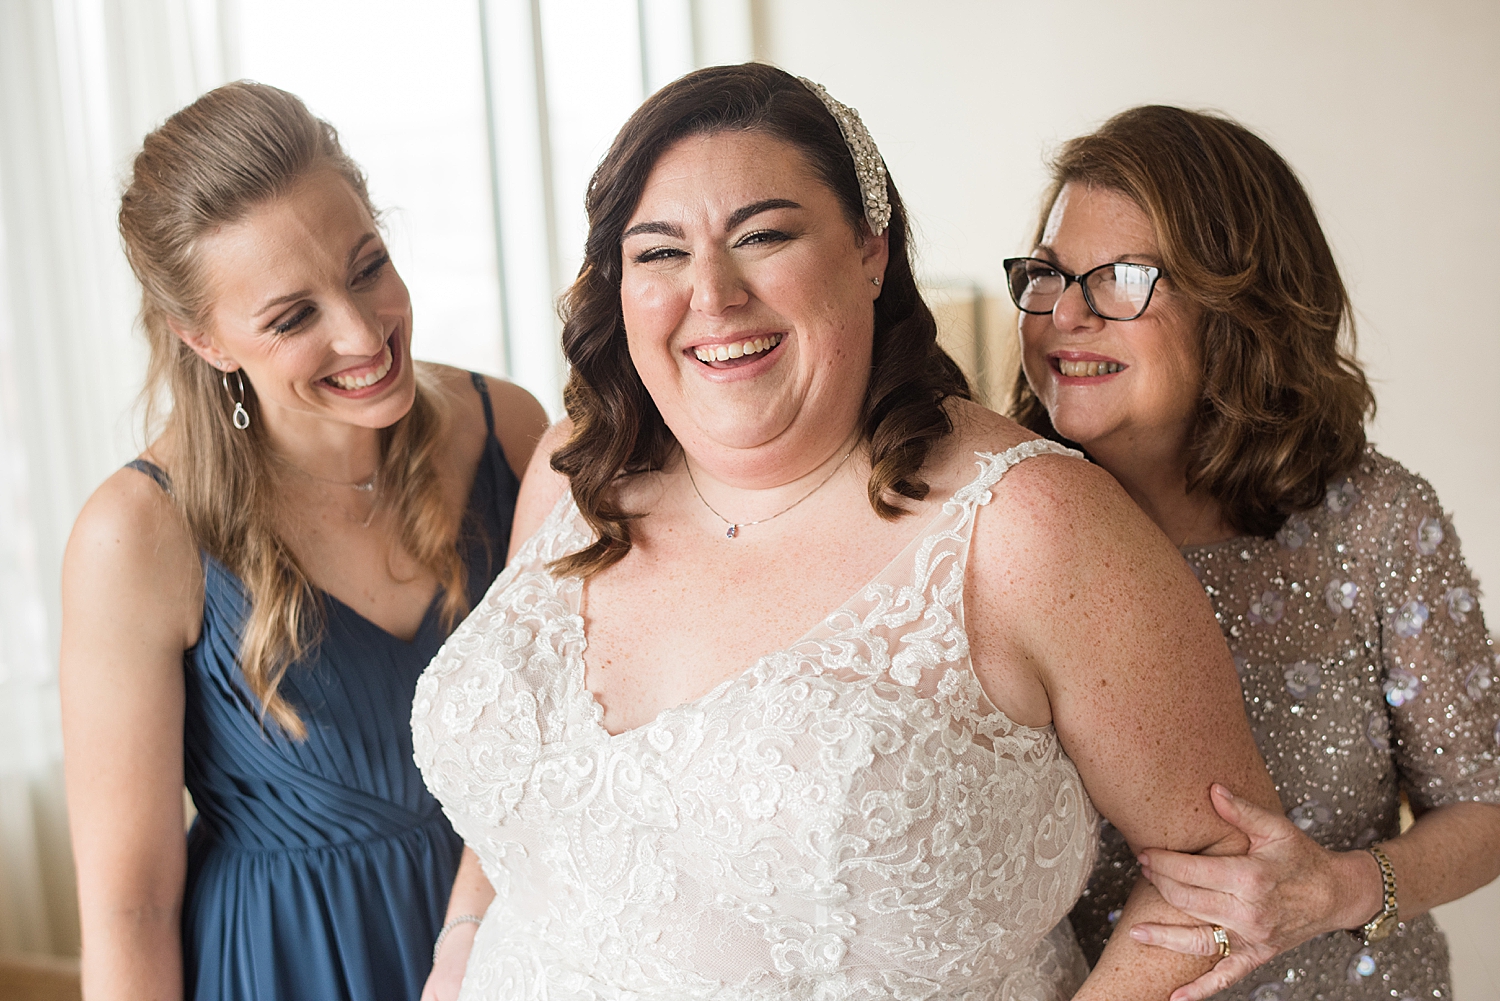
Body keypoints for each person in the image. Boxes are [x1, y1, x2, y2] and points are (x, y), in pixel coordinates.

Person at [412, 63, 1282, 1001]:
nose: (712, 292)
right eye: (659, 252)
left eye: (765, 236)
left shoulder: (1029, 526)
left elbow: (1223, 879)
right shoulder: (572, 470)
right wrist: (461, 940)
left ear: (870, 252)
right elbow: (539, 784)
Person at [60, 82, 547, 1001]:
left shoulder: (509, 430)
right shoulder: (136, 536)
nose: (365, 333)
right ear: (202, 339)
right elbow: (129, 910)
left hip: (513, 950)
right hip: (286, 966)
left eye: (368, 267)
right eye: (293, 318)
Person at [1006, 105, 1500, 1001]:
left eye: (1118, 278)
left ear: (1239, 303)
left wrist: (1343, 889)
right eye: (1047, 274)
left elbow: (1486, 804)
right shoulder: (1002, 530)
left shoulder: (1375, 520)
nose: (1066, 314)